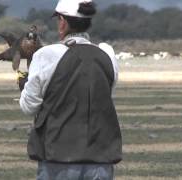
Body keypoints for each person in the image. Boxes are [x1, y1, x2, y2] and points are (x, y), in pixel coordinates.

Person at [19, 0, 122, 179]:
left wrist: (24, 86)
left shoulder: (46, 55)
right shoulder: (107, 55)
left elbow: (29, 107)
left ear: (63, 22)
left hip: (58, 157)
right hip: (101, 158)